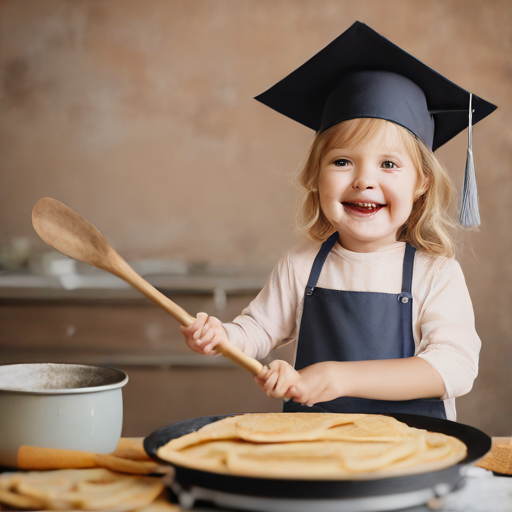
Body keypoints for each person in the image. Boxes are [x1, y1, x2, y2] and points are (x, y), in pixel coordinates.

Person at [180, 22, 496, 421]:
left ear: (422, 183)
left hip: (413, 454)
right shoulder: (300, 265)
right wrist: (222, 336)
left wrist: (338, 378)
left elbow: (455, 367)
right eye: (342, 161)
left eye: (389, 164)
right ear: (315, 175)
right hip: (318, 451)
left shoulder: (435, 274)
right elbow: (257, 331)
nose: (364, 180)